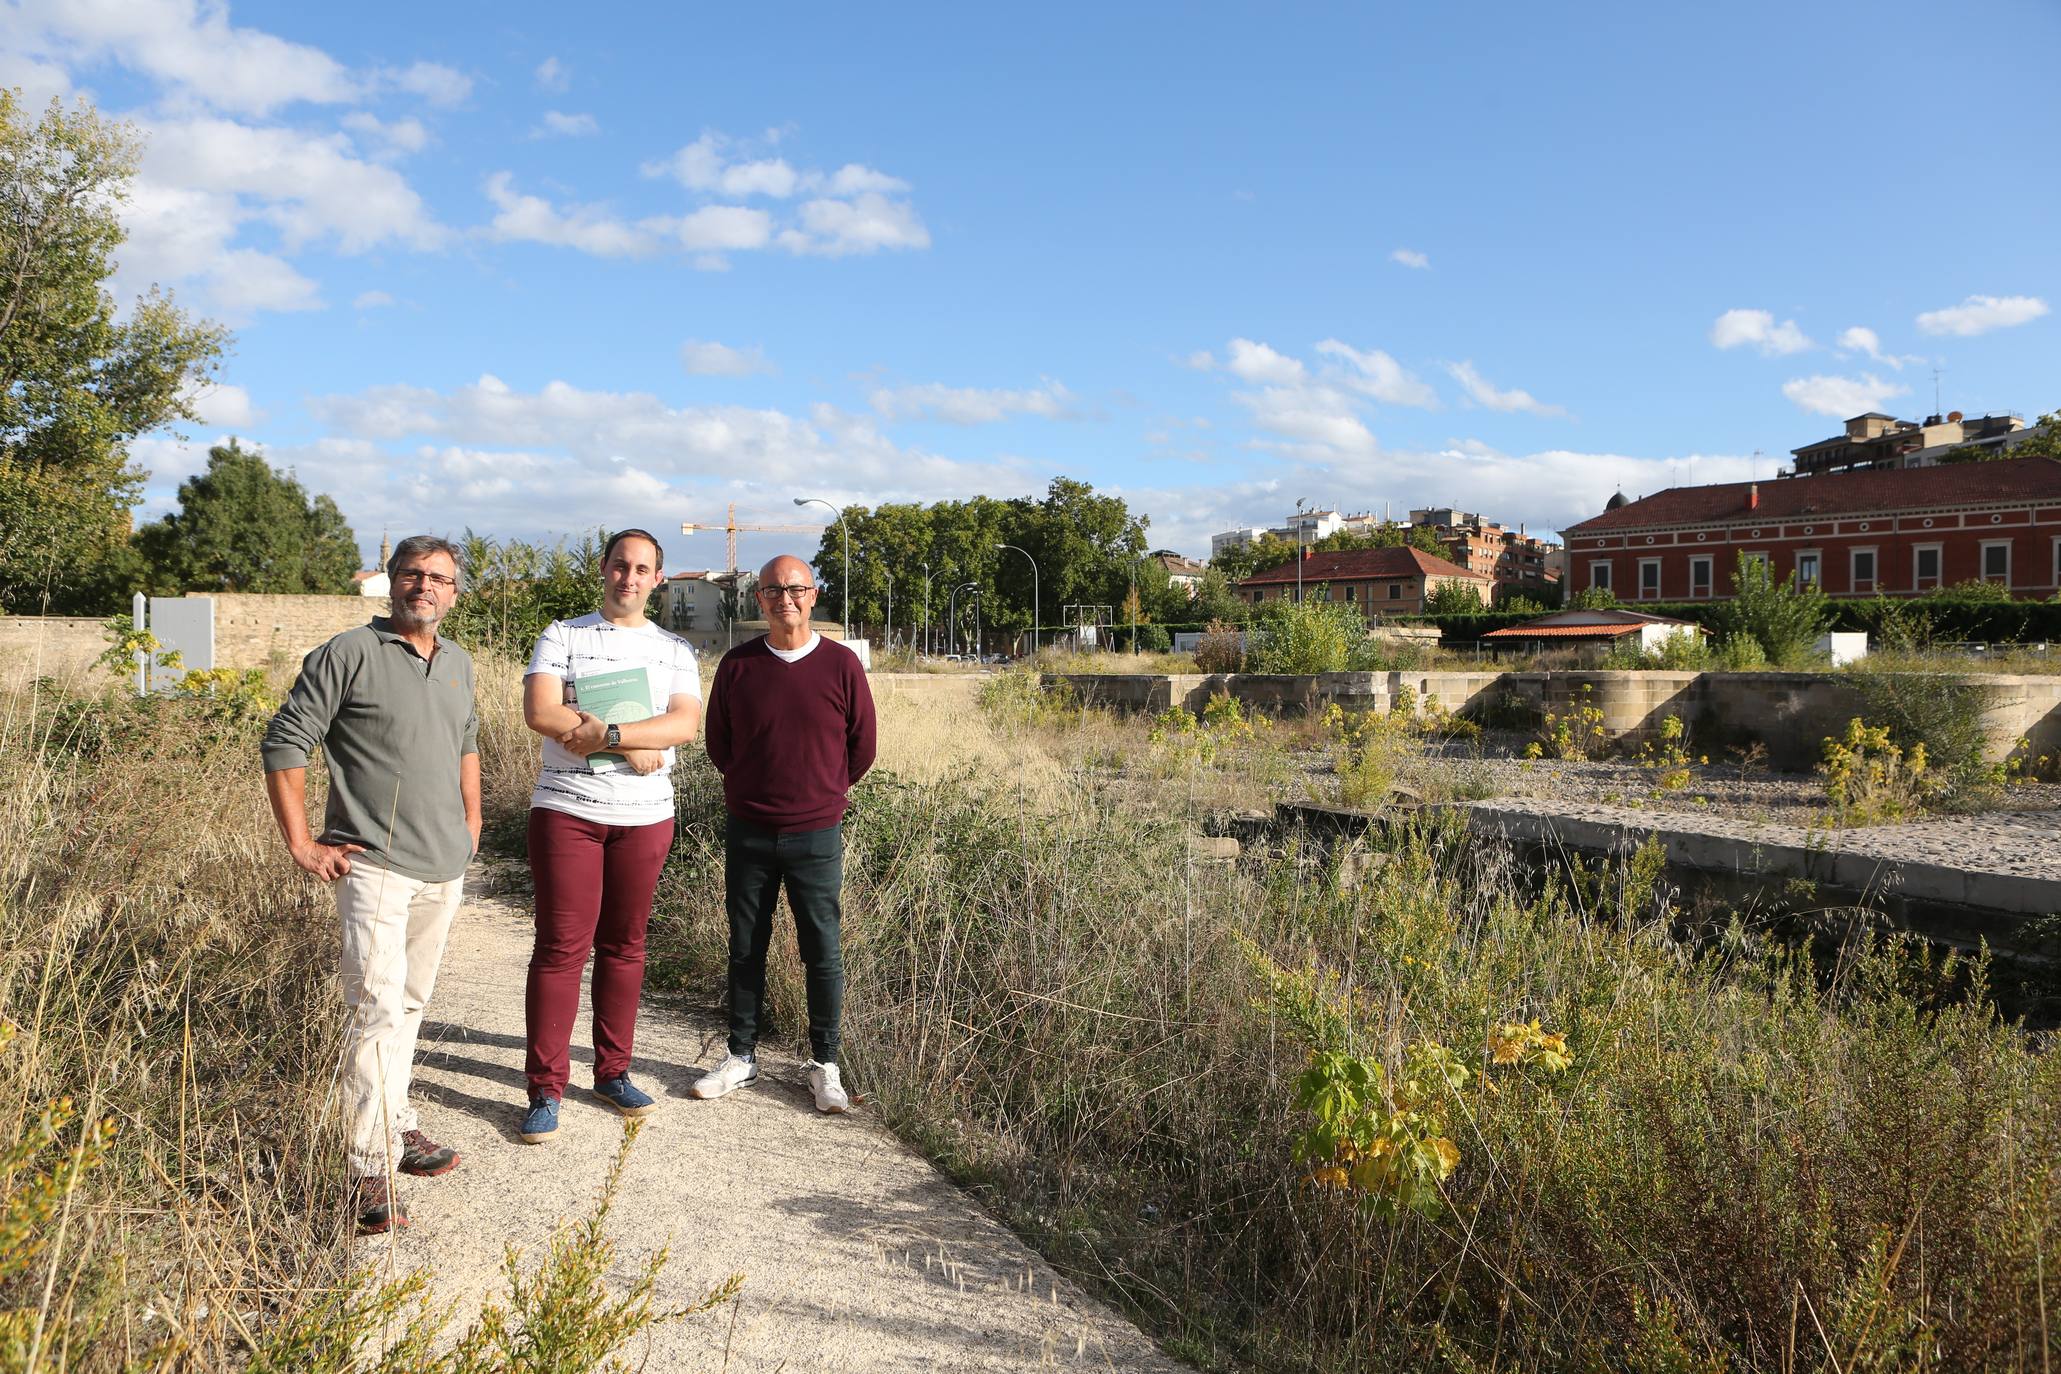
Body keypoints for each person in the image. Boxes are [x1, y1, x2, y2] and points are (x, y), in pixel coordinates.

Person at [261, 535, 480, 1236]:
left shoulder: (458, 663)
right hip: (375, 868)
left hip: (442, 868)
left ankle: (398, 1123)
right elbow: (286, 741)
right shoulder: (347, 653)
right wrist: (300, 841)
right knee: (375, 1012)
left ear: (455, 591)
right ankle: (364, 1167)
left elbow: (465, 746)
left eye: (440, 578)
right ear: (391, 582)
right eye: (413, 574)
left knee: (409, 1004)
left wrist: (472, 825)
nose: (426, 586)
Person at [517, 529, 702, 1144]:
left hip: (645, 818)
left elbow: (683, 724)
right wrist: (629, 741)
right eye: (620, 565)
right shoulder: (563, 634)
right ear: (603, 569)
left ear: (657, 579)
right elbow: (541, 711)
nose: (629, 577)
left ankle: (612, 1072)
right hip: (568, 810)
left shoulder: (675, 649)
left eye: (642, 569)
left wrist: (613, 735)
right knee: (561, 948)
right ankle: (546, 1087)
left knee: (625, 947)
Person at [693, 554, 876, 1113]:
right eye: (771, 590)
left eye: (794, 588)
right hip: (749, 829)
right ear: (759, 599)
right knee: (746, 945)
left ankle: (825, 1065)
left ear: (813, 595)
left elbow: (862, 745)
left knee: (822, 949)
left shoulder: (842, 664)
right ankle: (741, 1057)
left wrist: (822, 793)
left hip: (817, 833)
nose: (783, 598)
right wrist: (754, 790)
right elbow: (718, 745)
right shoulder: (738, 665)